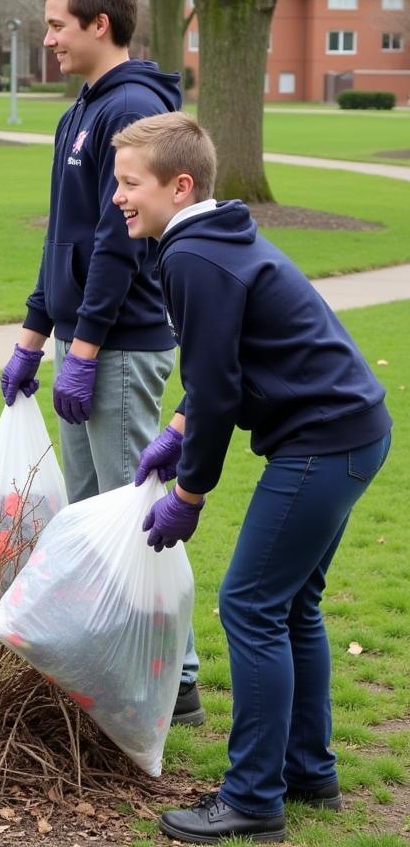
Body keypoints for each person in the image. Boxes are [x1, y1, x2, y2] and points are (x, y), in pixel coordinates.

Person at [111, 112, 392, 843]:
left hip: (322, 442)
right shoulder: (211, 236)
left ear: (179, 185)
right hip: (353, 432)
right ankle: (308, 772)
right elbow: (219, 369)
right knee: (292, 606)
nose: (118, 196)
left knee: (251, 605)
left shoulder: (192, 258)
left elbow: (219, 389)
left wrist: (188, 494)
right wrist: (175, 432)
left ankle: (253, 798)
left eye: (130, 183)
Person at [0, 0, 202, 724]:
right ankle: (110, 664)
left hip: (119, 344)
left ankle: (173, 680)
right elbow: (66, 238)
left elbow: (118, 245)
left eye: (56, 25)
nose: (47, 38)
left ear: (99, 25)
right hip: (84, 340)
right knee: (91, 516)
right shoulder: (77, 110)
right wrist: (32, 332)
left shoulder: (132, 110)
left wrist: (81, 351)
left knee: (133, 512)